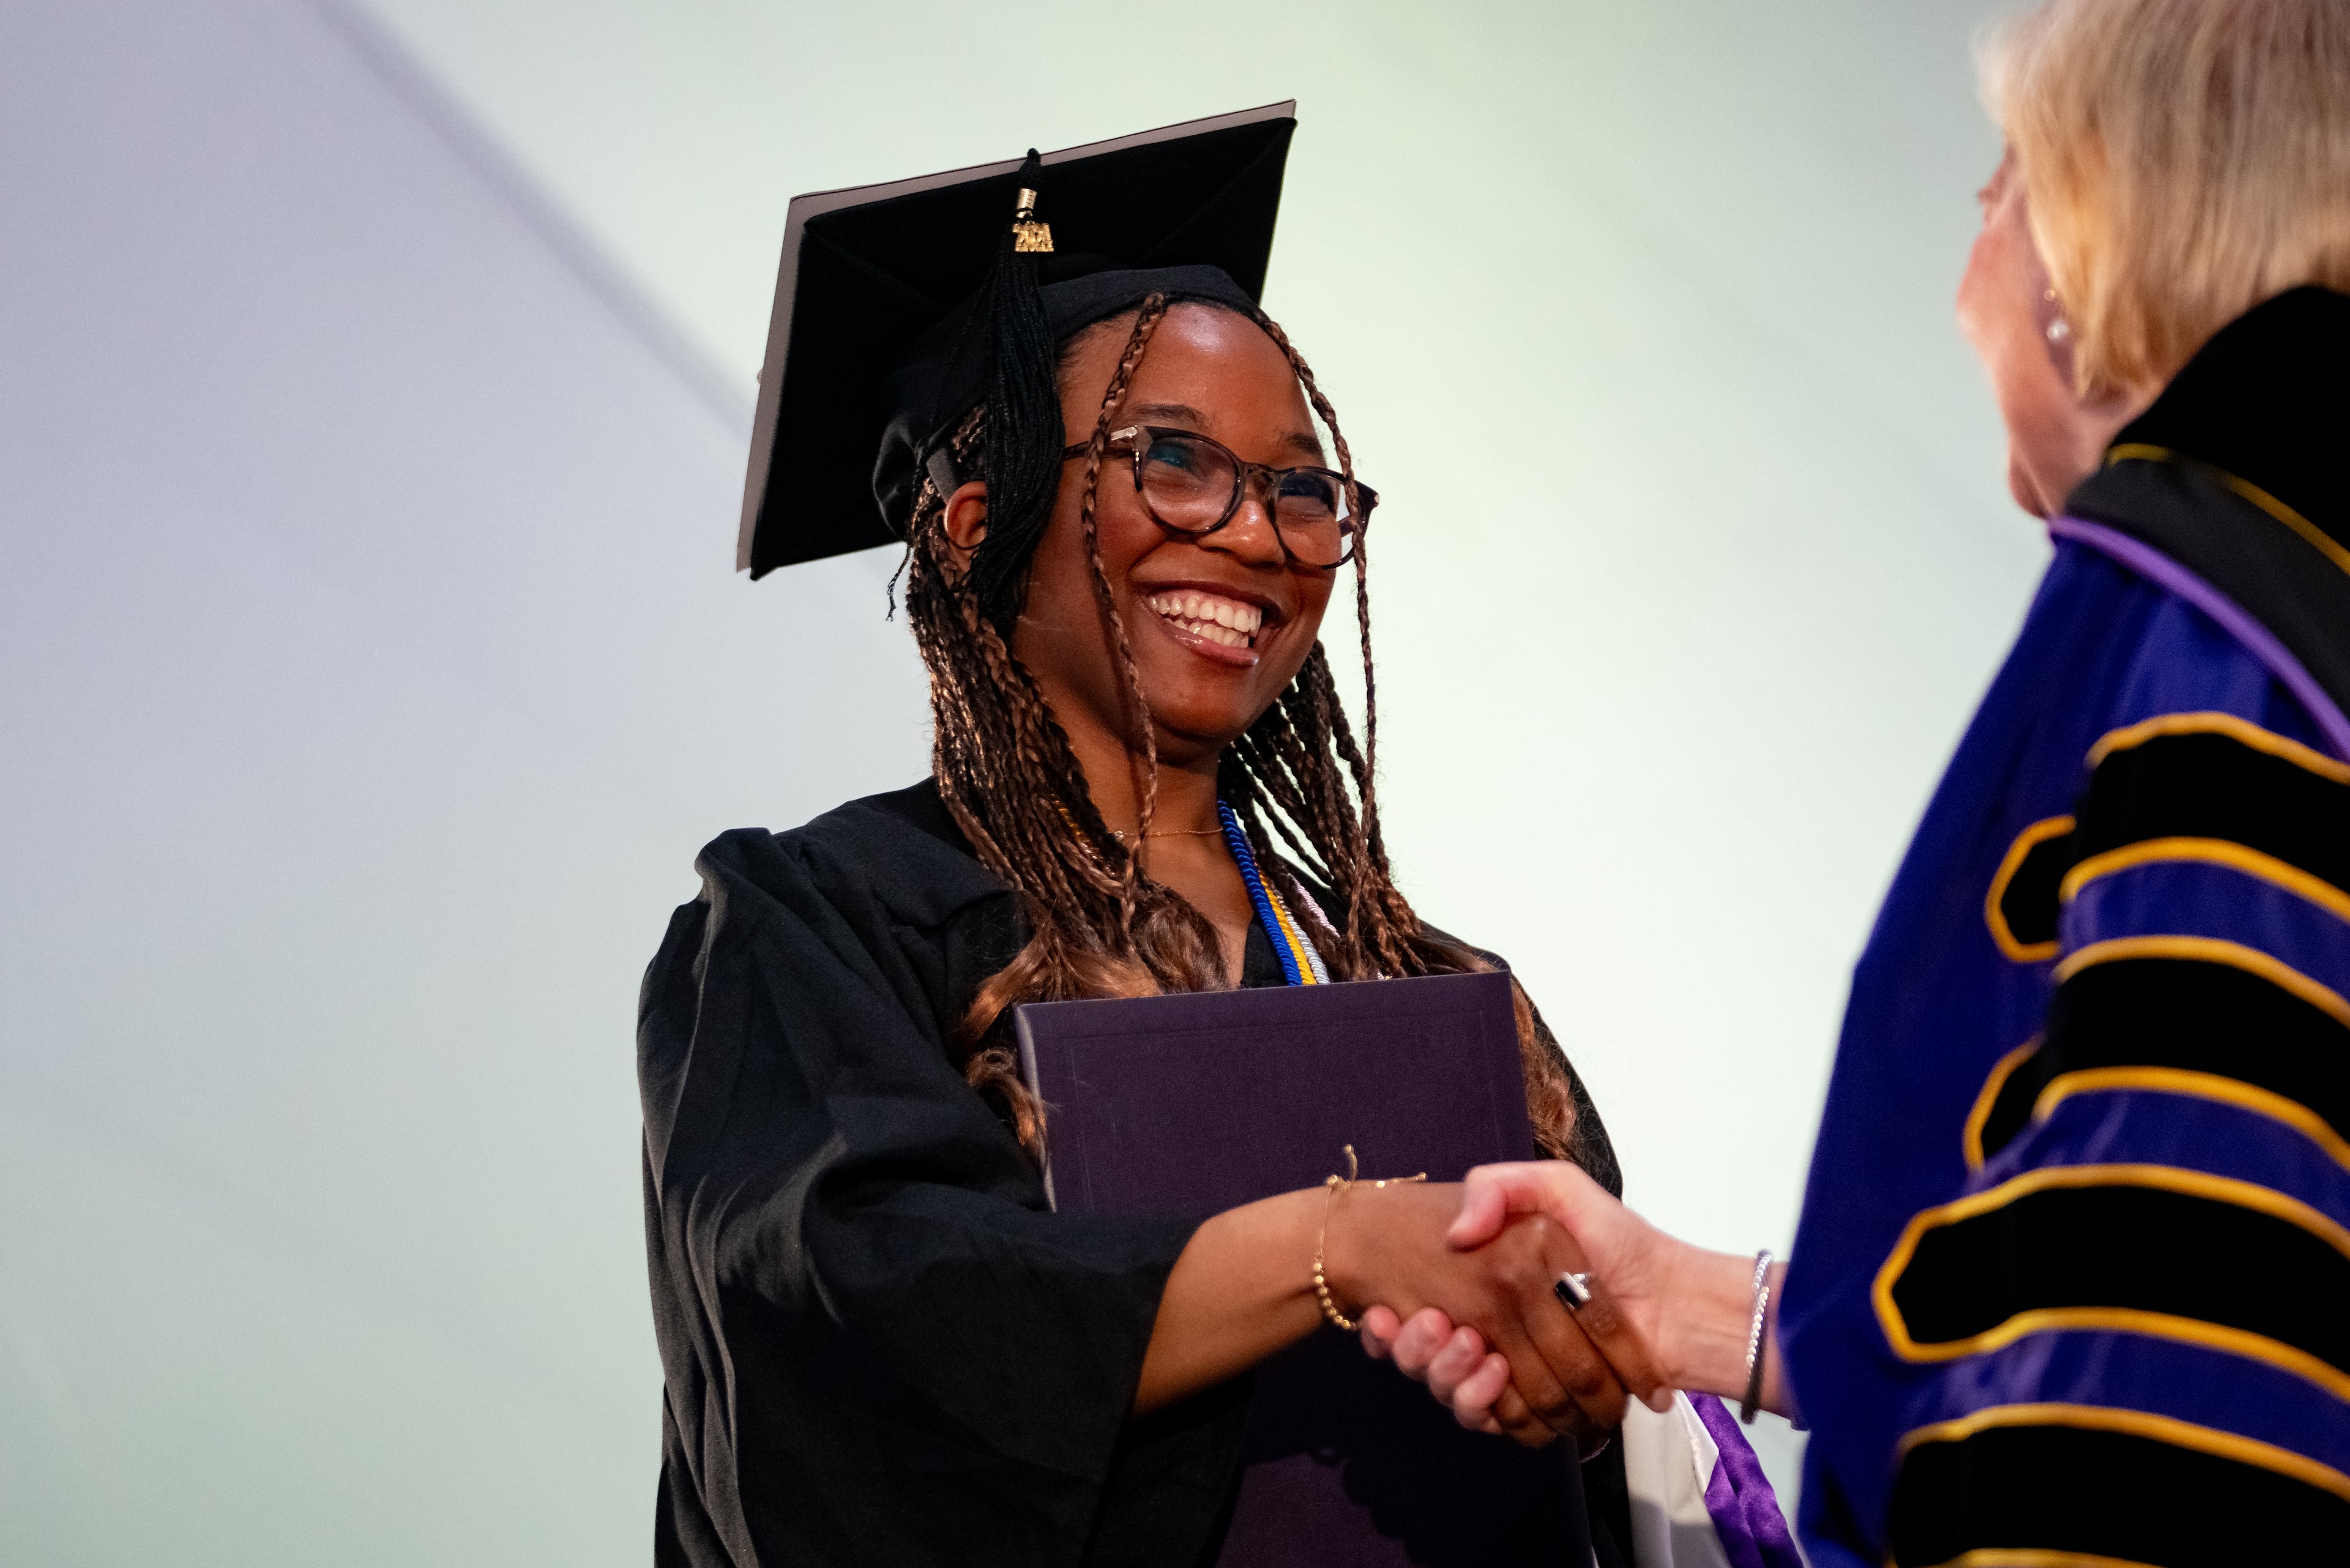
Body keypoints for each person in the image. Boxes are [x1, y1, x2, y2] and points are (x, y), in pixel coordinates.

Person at [1372, 2, 2350, 1563]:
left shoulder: (2208, 647)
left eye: (2003, 186)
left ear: (2099, 250)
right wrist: (1698, 1308)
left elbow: (2170, 1377)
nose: (1973, 251)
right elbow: (2072, 1236)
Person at [639, 111, 1636, 1567]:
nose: (1254, 533)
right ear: (980, 525)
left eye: (1303, 488)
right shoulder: (823, 918)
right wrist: (1343, 1245)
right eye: (1173, 461)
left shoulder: (1430, 987)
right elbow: (854, 1322)